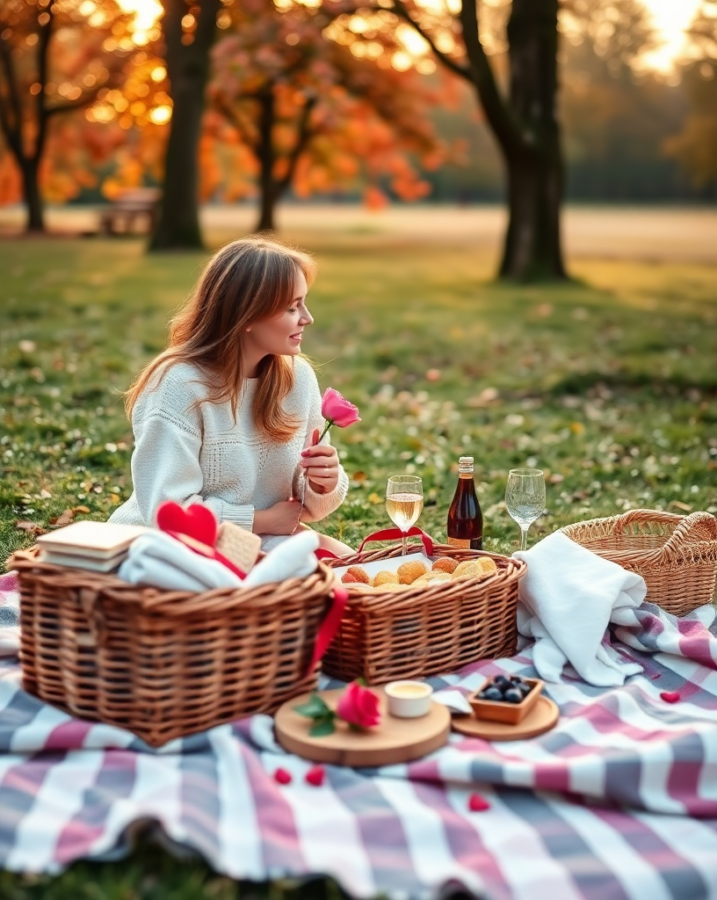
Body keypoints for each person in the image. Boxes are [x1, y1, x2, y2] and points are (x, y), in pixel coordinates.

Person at [109, 235, 352, 556]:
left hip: (257, 538)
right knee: (298, 587)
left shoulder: (298, 379)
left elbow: (303, 507)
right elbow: (169, 512)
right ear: (249, 314)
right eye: (292, 307)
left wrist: (323, 482)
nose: (307, 318)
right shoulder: (178, 384)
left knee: (347, 569)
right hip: (173, 545)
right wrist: (260, 520)